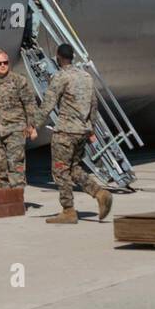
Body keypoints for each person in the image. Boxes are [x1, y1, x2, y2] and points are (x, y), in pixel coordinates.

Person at [38, 44, 113, 224]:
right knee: (74, 169)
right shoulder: (86, 77)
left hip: (65, 132)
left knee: (60, 170)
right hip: (82, 131)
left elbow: (47, 105)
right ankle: (100, 193)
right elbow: (94, 105)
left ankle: (68, 211)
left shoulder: (60, 77)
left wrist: (33, 125)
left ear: (58, 57)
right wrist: (91, 128)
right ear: (72, 57)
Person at [0, 48, 37, 190]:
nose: (3, 65)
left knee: (16, 165)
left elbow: (30, 104)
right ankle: (4, 199)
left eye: (5, 62)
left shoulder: (18, 80)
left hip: (16, 131)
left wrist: (32, 125)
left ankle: (17, 197)